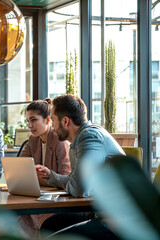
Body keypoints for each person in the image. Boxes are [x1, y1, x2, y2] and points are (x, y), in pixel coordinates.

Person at [38, 94, 124, 239]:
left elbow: (79, 188)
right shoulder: (80, 139)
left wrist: (73, 182)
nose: (52, 126)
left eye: (53, 120)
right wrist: (50, 176)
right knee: (49, 226)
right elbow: (77, 182)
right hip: (100, 210)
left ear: (65, 121)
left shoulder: (90, 137)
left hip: (117, 220)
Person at [18, 98, 71, 238]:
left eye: (33, 120)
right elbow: (20, 168)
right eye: (28, 121)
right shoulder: (33, 139)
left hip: (56, 201)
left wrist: (36, 179)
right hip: (38, 196)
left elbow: (65, 177)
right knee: (14, 219)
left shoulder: (60, 141)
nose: (29, 125)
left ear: (48, 120)